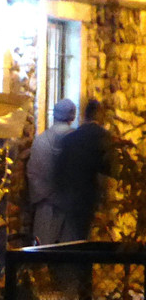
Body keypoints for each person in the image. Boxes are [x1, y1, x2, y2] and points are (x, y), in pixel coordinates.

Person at [52, 98, 114, 242]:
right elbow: (109, 171)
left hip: (69, 197)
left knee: (73, 237)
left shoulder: (70, 139)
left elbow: (59, 170)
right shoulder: (104, 138)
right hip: (91, 197)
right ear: (100, 115)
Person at [26, 98, 76, 245]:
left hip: (45, 206)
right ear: (72, 117)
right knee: (69, 254)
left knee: (43, 251)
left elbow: (33, 173)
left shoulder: (40, 141)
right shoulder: (78, 141)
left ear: (54, 115)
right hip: (70, 206)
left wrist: (46, 193)